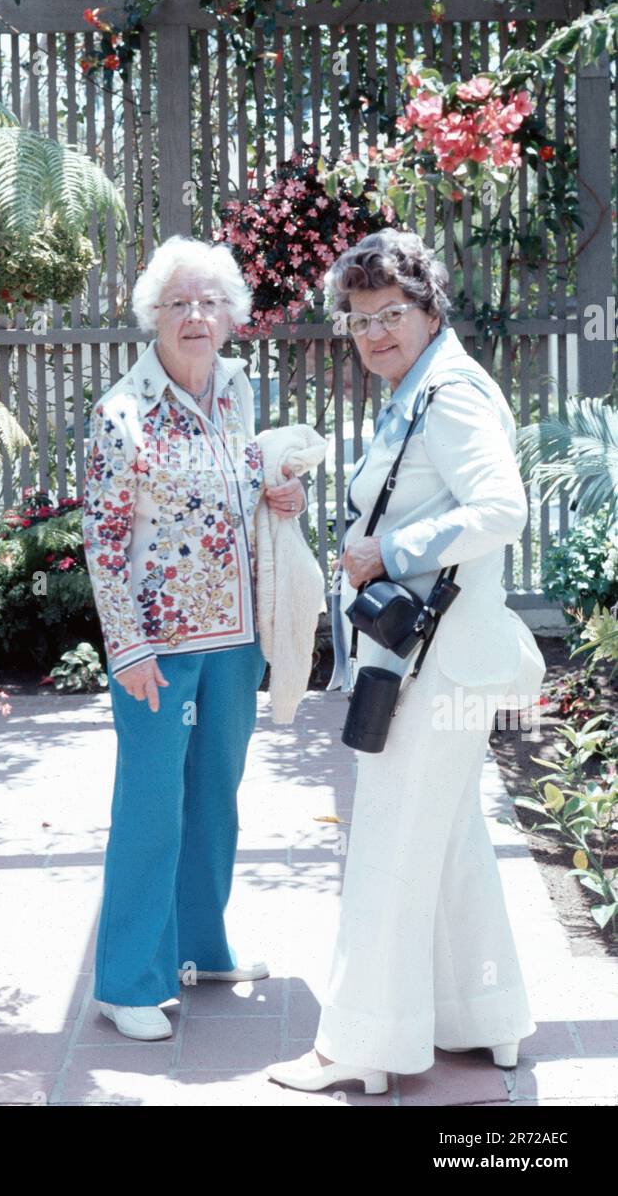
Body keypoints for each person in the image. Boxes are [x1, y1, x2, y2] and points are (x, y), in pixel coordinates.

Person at [268, 227, 545, 1093]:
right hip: (437, 658)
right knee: (449, 839)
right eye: (359, 320)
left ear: (429, 310)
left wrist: (388, 550)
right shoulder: (424, 388)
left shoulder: (450, 394)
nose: (375, 333)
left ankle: (359, 1047)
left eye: (391, 313)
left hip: (435, 664)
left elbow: (501, 508)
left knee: (389, 845)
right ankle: (485, 1017)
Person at [82, 233, 306, 1041]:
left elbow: (246, 491)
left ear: (231, 314)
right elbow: (104, 540)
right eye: (178, 302)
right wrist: (128, 648)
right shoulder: (121, 415)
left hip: (236, 640)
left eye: (210, 301)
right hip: (160, 650)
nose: (195, 316)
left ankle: (201, 949)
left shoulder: (237, 392)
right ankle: (127, 982)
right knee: (150, 809)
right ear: (154, 314)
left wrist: (280, 498)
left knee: (216, 798)